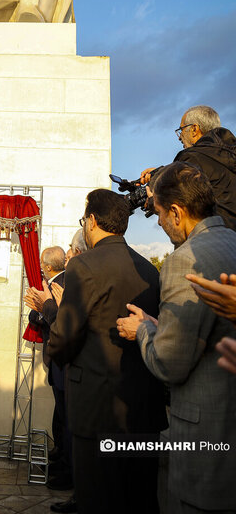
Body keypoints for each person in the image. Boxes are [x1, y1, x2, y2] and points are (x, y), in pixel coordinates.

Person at [117, 162, 236, 513]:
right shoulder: (231, 242)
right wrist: (161, 324)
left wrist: (143, 330)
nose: (158, 224)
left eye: (157, 215)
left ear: (176, 211)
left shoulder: (185, 260)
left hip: (204, 452)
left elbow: (170, 363)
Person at [46, 189, 166, 514]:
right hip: (142, 404)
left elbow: (66, 334)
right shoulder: (149, 270)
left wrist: (53, 354)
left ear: (92, 222)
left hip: (97, 405)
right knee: (138, 497)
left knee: (97, 497)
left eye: (84, 219)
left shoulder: (83, 265)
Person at [141, 105, 236, 230]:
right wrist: (162, 172)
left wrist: (154, 202)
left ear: (194, 129)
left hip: (209, 240)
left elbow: (177, 207)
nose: (180, 137)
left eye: (181, 130)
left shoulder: (191, 157)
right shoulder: (227, 155)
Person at [25, 246, 70, 489]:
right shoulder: (51, 283)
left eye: (42, 263)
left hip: (61, 356)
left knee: (66, 413)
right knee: (60, 411)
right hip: (55, 358)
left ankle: (66, 462)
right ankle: (61, 455)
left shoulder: (60, 285)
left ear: (48, 266)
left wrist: (42, 311)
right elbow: (35, 316)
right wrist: (39, 312)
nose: (41, 267)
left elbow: (51, 316)